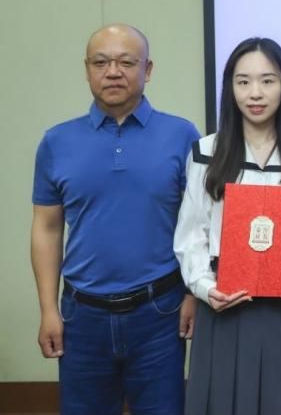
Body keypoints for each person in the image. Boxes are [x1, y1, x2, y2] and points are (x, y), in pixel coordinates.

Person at [31, 24, 200, 414]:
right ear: (86, 69)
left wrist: (193, 294)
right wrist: (48, 310)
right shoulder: (56, 142)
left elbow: (200, 223)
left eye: (126, 62)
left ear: (148, 69)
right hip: (81, 317)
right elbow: (46, 229)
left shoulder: (181, 135)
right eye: (101, 62)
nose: (113, 72)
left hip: (160, 313)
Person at [174, 37, 281, 414]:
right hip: (223, 295)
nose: (255, 93)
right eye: (243, 81)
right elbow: (191, 235)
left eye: (268, 81)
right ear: (230, 88)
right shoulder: (206, 152)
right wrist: (206, 288)